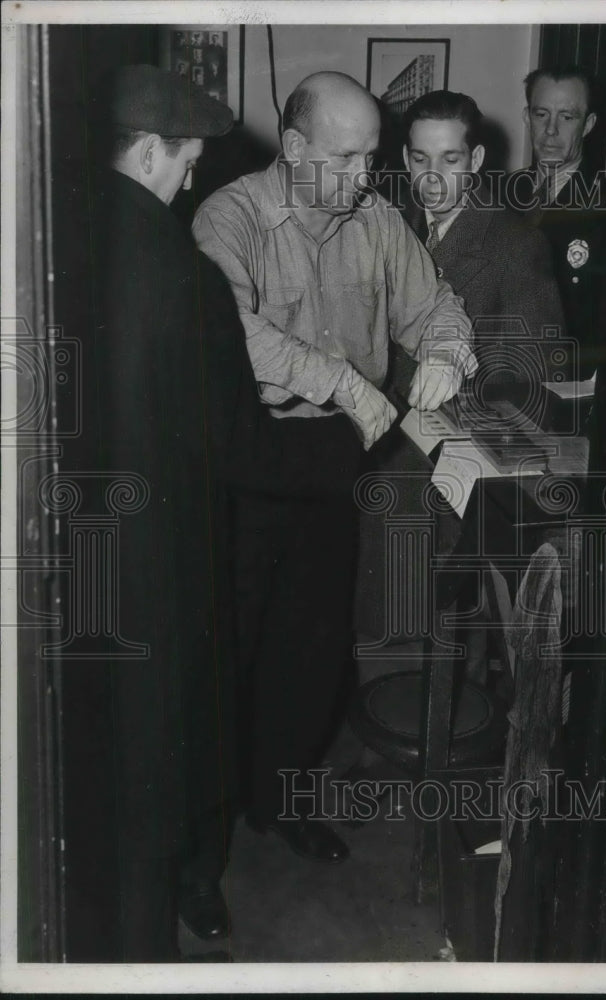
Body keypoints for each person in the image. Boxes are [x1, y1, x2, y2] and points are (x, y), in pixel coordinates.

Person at [192, 71, 476, 864]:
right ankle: (200, 854)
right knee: (228, 657)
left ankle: (279, 805)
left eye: (371, 158)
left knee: (311, 652)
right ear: (292, 148)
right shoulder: (232, 216)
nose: (363, 179)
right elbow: (234, 335)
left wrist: (449, 349)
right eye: (344, 158)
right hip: (248, 460)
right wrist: (347, 381)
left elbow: (436, 301)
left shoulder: (377, 218)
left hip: (331, 459)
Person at [77, 63, 260, 960]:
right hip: (161, 569)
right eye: (186, 161)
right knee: (161, 766)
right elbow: (235, 445)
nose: (192, 179)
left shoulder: (56, 247)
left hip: (75, 564)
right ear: (150, 152)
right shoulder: (186, 278)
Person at [400, 89, 565, 410]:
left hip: (457, 439)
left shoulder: (518, 245)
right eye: (421, 159)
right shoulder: (389, 224)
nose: (433, 177)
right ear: (406, 159)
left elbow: (536, 376)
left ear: (475, 160)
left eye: (450, 160)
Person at [507, 65, 606, 384]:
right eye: (541, 114)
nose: (550, 130)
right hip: (497, 376)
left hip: (565, 386)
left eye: (567, 117)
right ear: (526, 116)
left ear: (588, 125)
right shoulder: (502, 195)